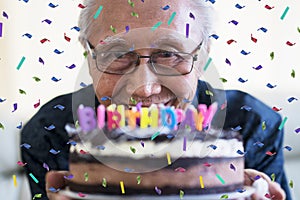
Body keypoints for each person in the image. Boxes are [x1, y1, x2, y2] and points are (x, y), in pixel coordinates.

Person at [21, 0, 290, 199]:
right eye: (116, 54)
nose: (144, 89)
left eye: (170, 53)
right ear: (88, 56)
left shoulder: (251, 124)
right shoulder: (51, 130)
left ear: (203, 55)